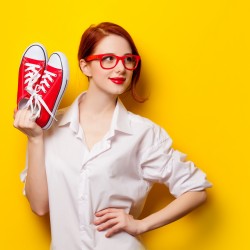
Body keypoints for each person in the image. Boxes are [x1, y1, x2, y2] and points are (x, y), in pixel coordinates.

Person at [14, 22, 212, 250]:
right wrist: (35, 139)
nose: (121, 68)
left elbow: (196, 190)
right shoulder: (47, 127)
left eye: (128, 60)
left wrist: (141, 225)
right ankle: (32, 94)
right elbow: (39, 206)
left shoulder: (142, 133)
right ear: (85, 66)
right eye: (108, 58)